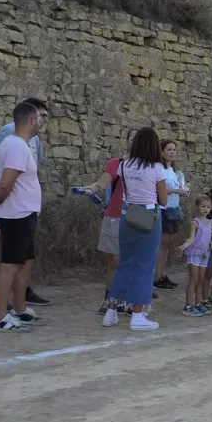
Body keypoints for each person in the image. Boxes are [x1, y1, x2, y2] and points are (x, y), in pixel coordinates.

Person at [0, 101, 45, 331]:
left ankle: (19, 309)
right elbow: (5, 184)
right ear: (31, 121)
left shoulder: (17, 144)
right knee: (9, 265)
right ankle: (0, 317)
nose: (42, 122)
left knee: (22, 263)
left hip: (24, 212)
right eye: (40, 118)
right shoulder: (18, 146)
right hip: (16, 214)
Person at [102, 127, 167, 331]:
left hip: (127, 215)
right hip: (148, 216)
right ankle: (138, 313)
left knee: (124, 264)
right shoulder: (156, 167)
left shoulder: (125, 165)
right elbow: (163, 199)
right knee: (145, 266)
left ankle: (111, 311)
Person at [76, 127, 138, 315]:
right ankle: (110, 299)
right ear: (126, 141)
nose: (135, 142)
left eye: (139, 139)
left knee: (132, 262)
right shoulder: (116, 163)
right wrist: (87, 189)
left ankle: (128, 300)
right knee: (114, 261)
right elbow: (101, 184)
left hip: (137, 219)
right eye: (132, 138)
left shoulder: (148, 167)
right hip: (115, 216)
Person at [153, 139, 188, 290]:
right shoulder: (159, 169)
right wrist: (176, 191)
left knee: (168, 243)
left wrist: (183, 191)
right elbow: (156, 189)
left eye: (174, 149)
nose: (172, 152)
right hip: (163, 209)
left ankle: (163, 274)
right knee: (162, 243)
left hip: (173, 209)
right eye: (169, 149)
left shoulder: (174, 171)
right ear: (162, 152)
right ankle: (156, 277)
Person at [177, 194, 212, 316]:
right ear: (197, 207)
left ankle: (198, 303)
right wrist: (183, 247)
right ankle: (188, 306)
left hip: (205, 254)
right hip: (194, 253)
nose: (206, 209)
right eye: (203, 206)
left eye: (208, 207)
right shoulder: (195, 222)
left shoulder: (210, 222)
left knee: (201, 280)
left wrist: (210, 243)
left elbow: (207, 237)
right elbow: (192, 238)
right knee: (194, 279)